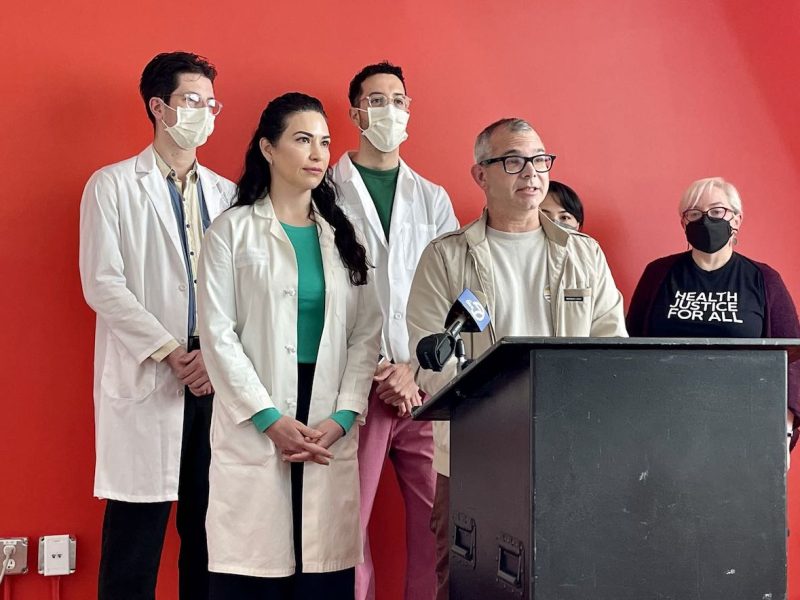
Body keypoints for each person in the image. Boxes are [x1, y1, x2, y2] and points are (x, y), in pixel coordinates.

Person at [406, 118, 627, 599]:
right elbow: (429, 358)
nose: (531, 172)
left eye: (540, 160)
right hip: (473, 457)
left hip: (566, 452)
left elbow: (612, 349)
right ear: (480, 175)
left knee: (566, 579)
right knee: (466, 579)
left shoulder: (584, 255)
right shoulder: (445, 258)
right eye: (513, 161)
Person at [197, 92, 382, 600]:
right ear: (268, 149)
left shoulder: (345, 239)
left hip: (327, 418)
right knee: (253, 571)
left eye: (324, 141)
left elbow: (367, 333)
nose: (318, 153)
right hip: (259, 411)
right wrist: (267, 418)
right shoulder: (230, 233)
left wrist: (344, 417)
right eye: (302, 140)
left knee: (323, 572)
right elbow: (217, 336)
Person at [79, 51, 234, 600]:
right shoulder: (113, 185)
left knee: (208, 530)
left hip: (215, 376)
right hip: (152, 369)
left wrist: (214, 355)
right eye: (193, 101)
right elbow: (103, 284)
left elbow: (238, 290)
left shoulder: (227, 194)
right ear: (159, 107)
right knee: (135, 535)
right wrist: (171, 351)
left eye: (211, 104)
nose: (205, 114)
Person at [330, 61, 458, 600]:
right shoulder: (324, 191)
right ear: (356, 110)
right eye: (377, 99)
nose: (390, 109)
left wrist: (413, 368)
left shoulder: (433, 198)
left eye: (399, 99)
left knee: (439, 524)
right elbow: (325, 293)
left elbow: (458, 294)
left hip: (425, 384)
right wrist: (382, 367)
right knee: (345, 529)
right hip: (356, 383)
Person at [626, 176, 800, 442]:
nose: (706, 220)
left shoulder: (763, 279)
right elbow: (628, 345)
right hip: (663, 421)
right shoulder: (658, 274)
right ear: (683, 224)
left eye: (717, 211)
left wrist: (785, 430)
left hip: (744, 424)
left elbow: (794, 358)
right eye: (694, 214)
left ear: (737, 219)